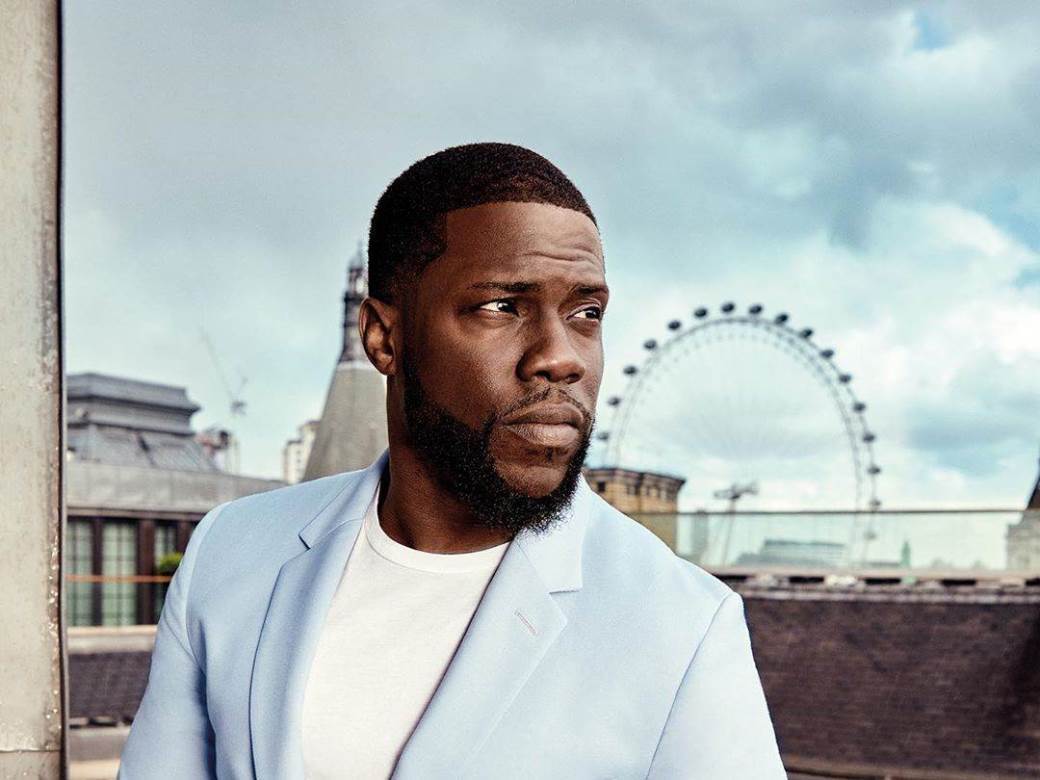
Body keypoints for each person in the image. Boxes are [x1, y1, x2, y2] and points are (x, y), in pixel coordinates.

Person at [119, 142, 785, 779]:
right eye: (502, 307)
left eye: (586, 312)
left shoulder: (684, 626)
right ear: (383, 337)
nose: (562, 357)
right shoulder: (229, 550)